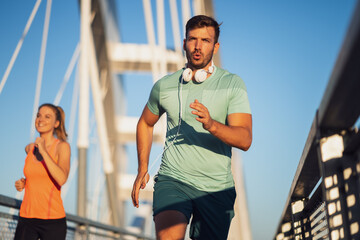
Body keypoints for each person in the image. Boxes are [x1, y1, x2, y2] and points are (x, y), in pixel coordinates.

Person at [131, 15, 252, 240]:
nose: (197, 46)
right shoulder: (164, 86)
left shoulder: (233, 84)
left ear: (215, 47)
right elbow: (145, 123)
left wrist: (212, 125)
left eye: (205, 40)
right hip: (173, 180)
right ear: (184, 43)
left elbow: (245, 139)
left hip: (216, 187)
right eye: (192, 39)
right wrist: (142, 168)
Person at [14, 103, 71, 240]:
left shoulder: (62, 147)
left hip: (52, 220)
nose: (41, 119)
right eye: (38, 115)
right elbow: (39, 176)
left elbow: (61, 178)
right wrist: (25, 182)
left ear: (56, 123)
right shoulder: (30, 149)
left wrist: (44, 152)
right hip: (27, 217)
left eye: (47, 117)